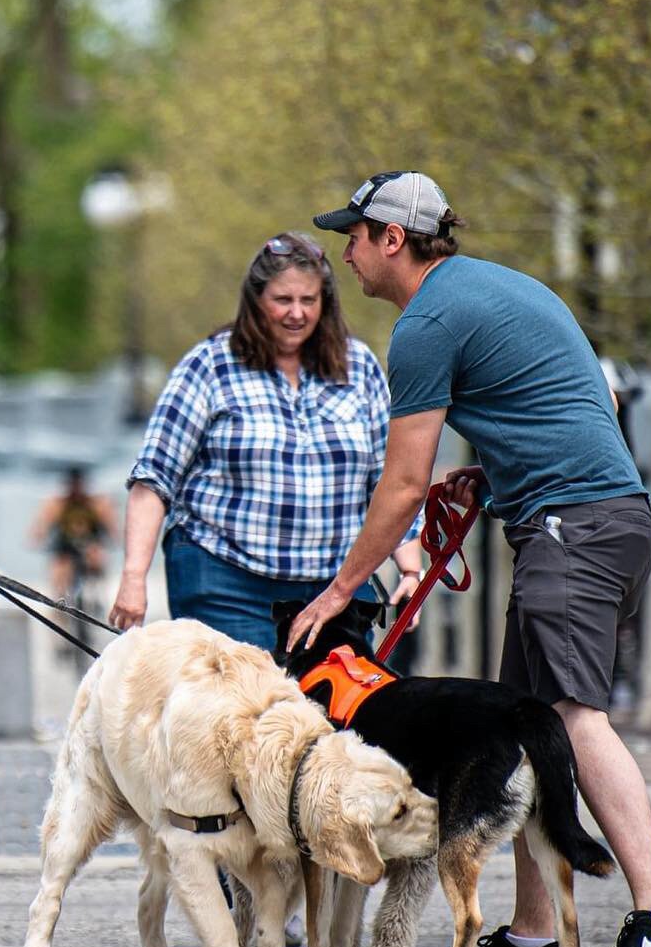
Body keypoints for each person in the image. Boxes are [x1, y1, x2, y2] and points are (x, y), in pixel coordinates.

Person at [288, 170, 651, 947]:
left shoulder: (425, 324)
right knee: (522, 725)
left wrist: (341, 591)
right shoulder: (501, 286)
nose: (347, 252)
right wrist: (491, 472)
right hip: (602, 516)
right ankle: (530, 931)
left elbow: (402, 484)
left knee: (568, 712)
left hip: (572, 530)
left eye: (355, 234)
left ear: (393, 239)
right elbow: (574, 402)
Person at [110, 233, 423, 650]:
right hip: (225, 578)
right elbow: (154, 478)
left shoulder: (359, 367)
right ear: (256, 300)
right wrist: (134, 579)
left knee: (337, 712)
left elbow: (388, 480)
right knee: (248, 711)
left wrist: (410, 573)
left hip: (334, 585)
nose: (296, 313)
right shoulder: (210, 365)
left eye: (309, 301)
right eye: (283, 300)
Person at [31, 467, 116, 611]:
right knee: (60, 572)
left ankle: (97, 598)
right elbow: (41, 526)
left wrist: (111, 532)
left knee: (97, 560)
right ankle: (59, 603)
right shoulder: (59, 504)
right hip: (65, 547)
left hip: (90, 545)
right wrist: (38, 536)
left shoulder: (95, 503)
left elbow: (111, 527)